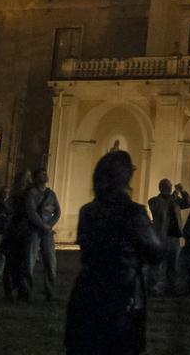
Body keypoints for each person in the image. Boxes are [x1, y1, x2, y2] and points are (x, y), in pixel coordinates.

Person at [64, 149, 164, 355]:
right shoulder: (134, 213)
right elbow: (155, 252)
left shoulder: (88, 211)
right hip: (122, 293)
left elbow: (86, 246)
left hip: (87, 289)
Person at [147, 178, 190, 295]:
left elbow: (188, 203)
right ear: (161, 188)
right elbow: (161, 209)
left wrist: (183, 191)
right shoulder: (155, 201)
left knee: (173, 265)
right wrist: (173, 196)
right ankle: (154, 287)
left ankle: (171, 287)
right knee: (158, 265)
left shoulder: (174, 200)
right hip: (161, 237)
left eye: (170, 186)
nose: (170, 188)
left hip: (174, 237)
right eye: (167, 186)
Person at [23, 168, 60, 300]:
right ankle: (27, 291)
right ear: (36, 177)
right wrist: (43, 225)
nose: (45, 175)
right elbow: (31, 211)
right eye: (42, 174)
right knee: (29, 261)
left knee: (51, 261)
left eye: (45, 173)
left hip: (47, 232)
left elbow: (57, 211)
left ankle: (50, 291)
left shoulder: (51, 194)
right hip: (34, 230)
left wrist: (50, 225)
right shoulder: (31, 193)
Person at [1, 170, 34, 301]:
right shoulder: (20, 195)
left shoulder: (26, 193)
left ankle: (20, 290)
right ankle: (16, 290)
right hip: (17, 230)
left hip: (21, 230)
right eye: (27, 177)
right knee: (14, 262)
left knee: (20, 262)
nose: (29, 180)